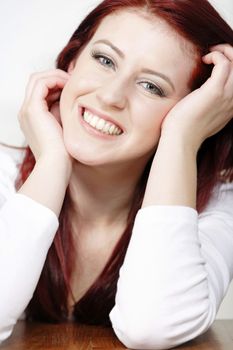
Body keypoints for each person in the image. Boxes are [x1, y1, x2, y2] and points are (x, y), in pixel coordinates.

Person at [0, 0, 233, 348]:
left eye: (152, 86)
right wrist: (51, 164)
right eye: (105, 60)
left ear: (197, 109)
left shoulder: (217, 208)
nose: (111, 96)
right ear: (72, 61)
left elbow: (152, 326)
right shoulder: (6, 174)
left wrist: (181, 138)